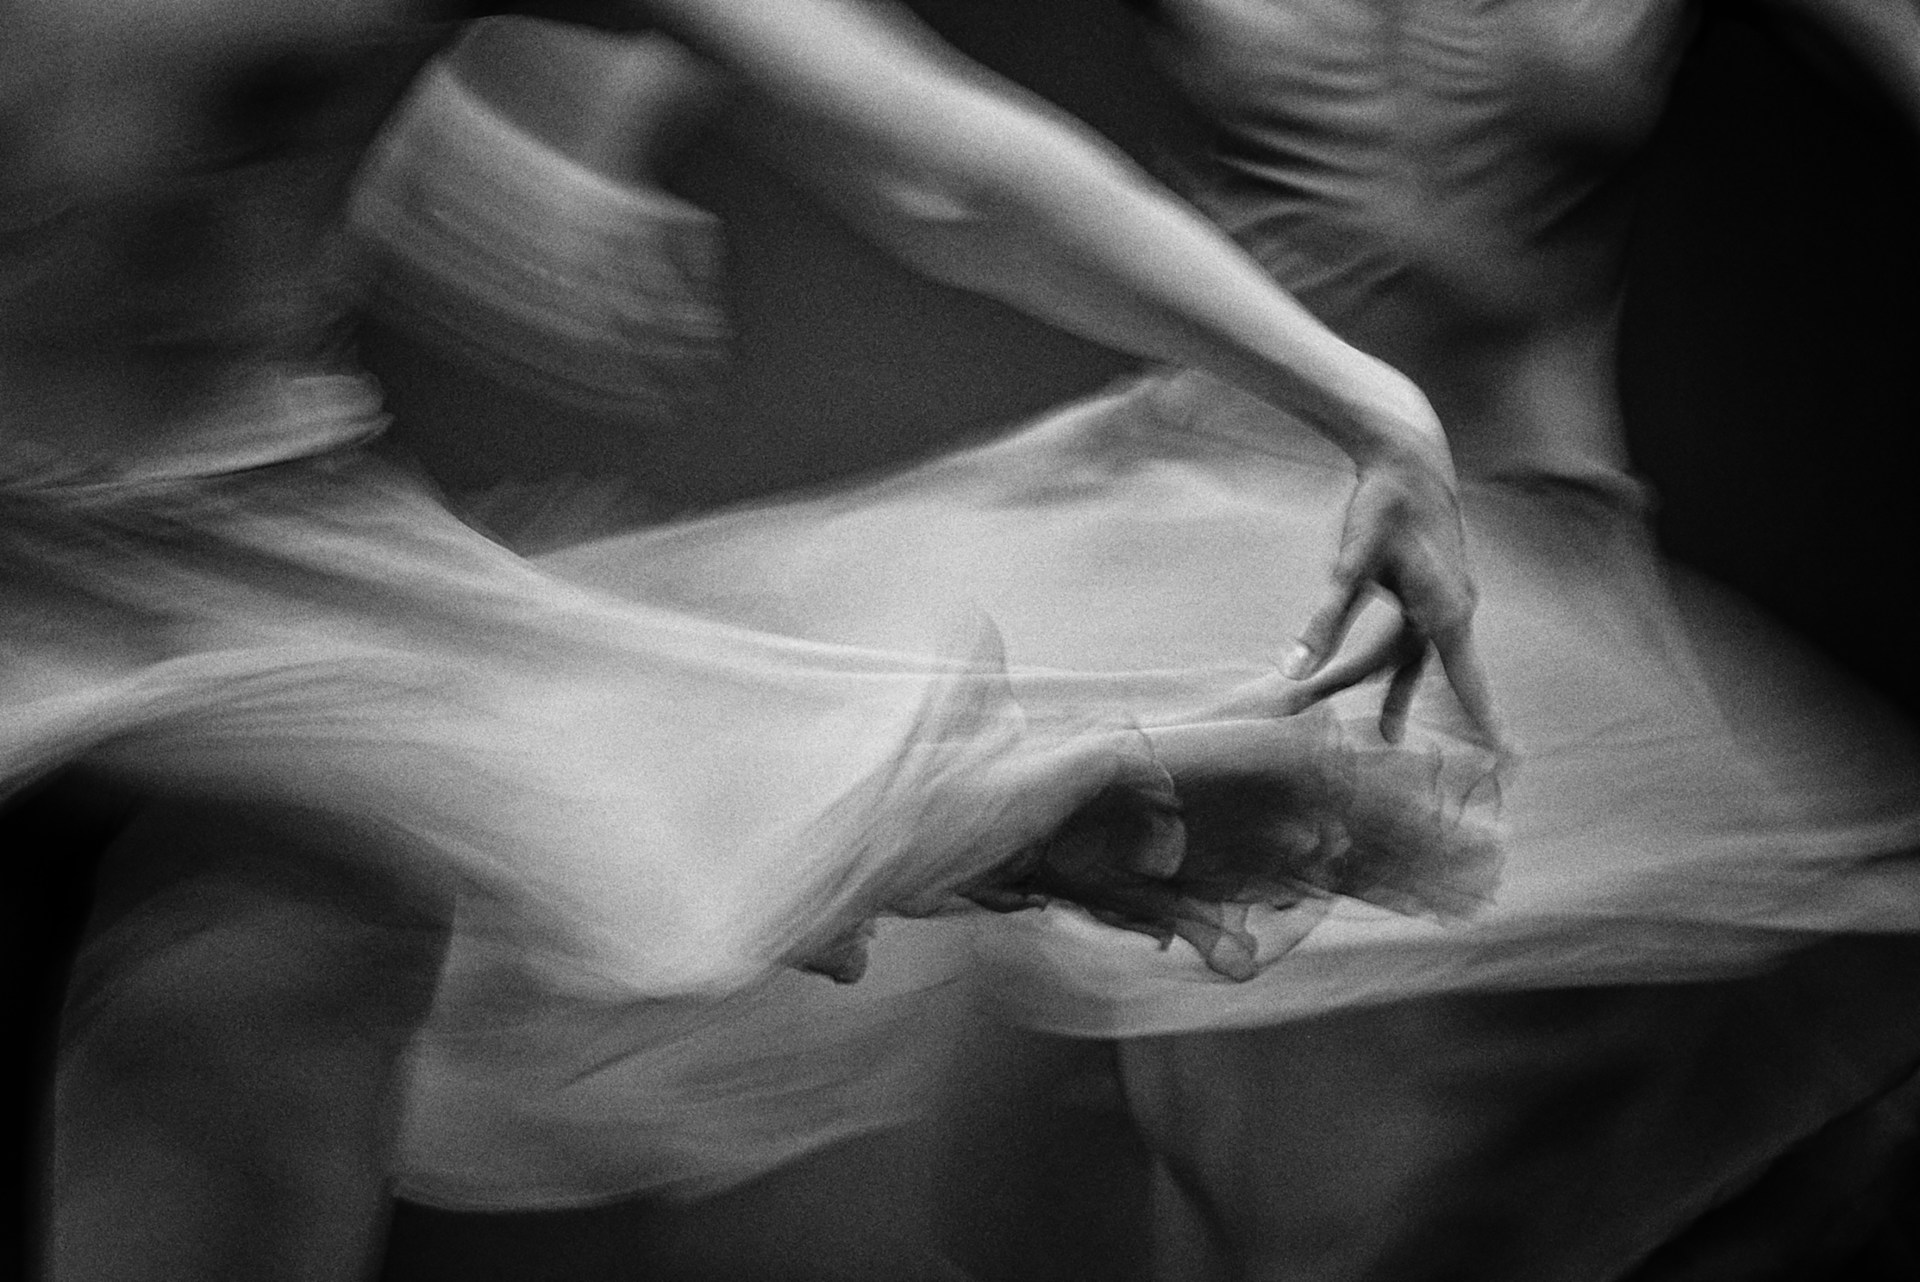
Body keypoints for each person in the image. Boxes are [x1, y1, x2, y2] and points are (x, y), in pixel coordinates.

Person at [7, 2, 1507, 1279]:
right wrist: (526, 143)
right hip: (136, 594)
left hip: (257, 607)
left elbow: (943, 164)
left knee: (276, 943)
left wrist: (1360, 401)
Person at [466, 1, 1920, 1278]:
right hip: (1210, 530)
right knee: (1109, 1103)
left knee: (1437, 1158)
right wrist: (579, 134)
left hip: (1514, 566)